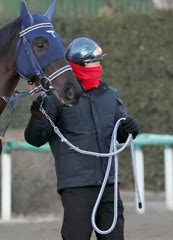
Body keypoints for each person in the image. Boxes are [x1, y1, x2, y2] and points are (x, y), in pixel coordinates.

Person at [24, 37, 139, 240]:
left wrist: (131, 128)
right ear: (77, 66)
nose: (98, 67)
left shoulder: (110, 96)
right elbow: (34, 138)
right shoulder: (56, 97)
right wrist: (38, 115)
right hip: (77, 187)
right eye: (92, 62)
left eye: (99, 62)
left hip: (108, 186)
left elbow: (121, 134)